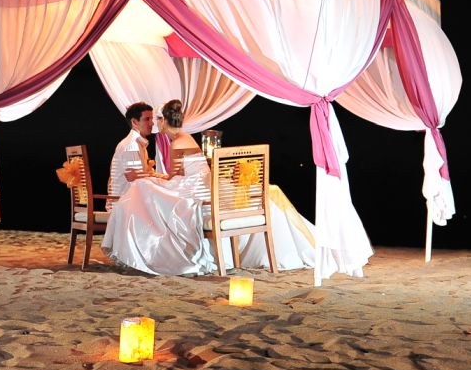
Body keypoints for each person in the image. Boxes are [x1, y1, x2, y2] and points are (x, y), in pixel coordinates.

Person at [102, 99, 319, 274]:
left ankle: (153, 252)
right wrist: (158, 177)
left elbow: (176, 179)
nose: (154, 125)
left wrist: (155, 178)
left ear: (164, 121)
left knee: (154, 199)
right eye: (149, 120)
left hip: (199, 193)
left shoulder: (177, 143)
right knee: (152, 196)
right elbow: (181, 175)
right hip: (204, 188)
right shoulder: (185, 139)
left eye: (156, 120)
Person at [108, 102, 154, 209]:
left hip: (130, 201)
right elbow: (137, 181)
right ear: (134, 122)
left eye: (152, 119)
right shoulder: (131, 145)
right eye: (147, 119)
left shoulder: (138, 144)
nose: (152, 123)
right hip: (123, 206)